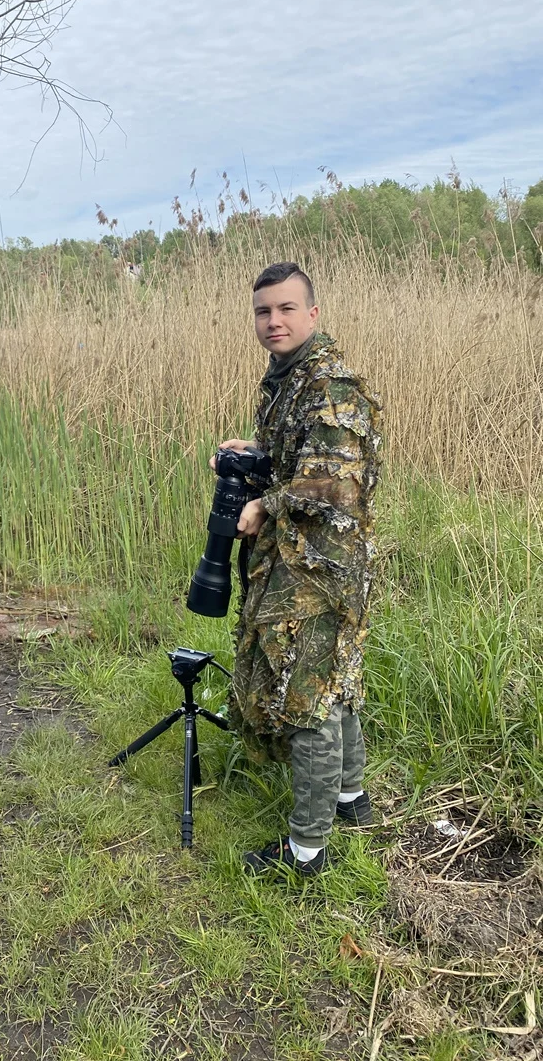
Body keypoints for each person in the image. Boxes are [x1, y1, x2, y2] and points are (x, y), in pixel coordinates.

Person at [215, 261, 382, 876]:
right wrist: (257, 454)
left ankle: (306, 851)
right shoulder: (290, 379)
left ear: (312, 313)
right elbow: (303, 456)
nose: (274, 321)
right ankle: (351, 798)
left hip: (319, 570)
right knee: (335, 681)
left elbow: (335, 484)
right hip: (303, 559)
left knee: (307, 699)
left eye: (286, 308)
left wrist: (265, 504)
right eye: (263, 311)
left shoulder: (330, 387)